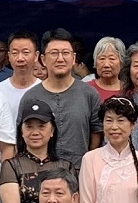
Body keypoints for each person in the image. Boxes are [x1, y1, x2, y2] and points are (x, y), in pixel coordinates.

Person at [0, 98, 71, 203]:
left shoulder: (66, 166)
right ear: (21, 131)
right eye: (29, 126)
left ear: (52, 131)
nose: (35, 132)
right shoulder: (11, 166)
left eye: (41, 126)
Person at [23, 30, 102, 161]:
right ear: (43, 59)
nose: (60, 59)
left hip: (79, 168)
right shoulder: (31, 96)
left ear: (74, 58)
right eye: (54, 53)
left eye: (65, 53)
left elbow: (97, 131)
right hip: (40, 169)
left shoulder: (89, 94)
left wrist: (87, 162)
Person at [80, 96, 138, 203]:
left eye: (121, 120)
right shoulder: (90, 159)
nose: (114, 127)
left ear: (133, 125)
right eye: (109, 120)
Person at [0, 30, 42, 122]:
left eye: (25, 52)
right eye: (15, 53)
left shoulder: (45, 91)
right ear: (9, 56)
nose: (20, 58)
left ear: (36, 56)